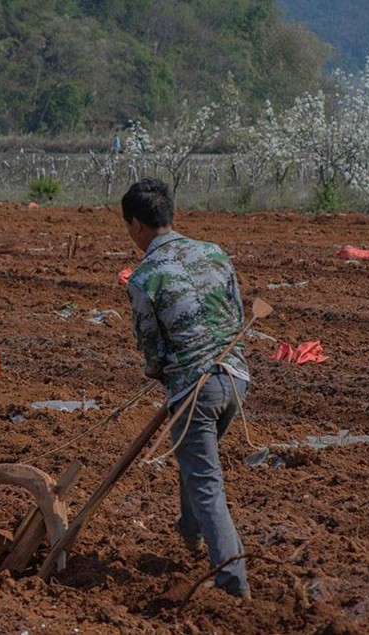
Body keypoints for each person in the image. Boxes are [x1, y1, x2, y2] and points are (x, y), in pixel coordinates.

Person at [121, 177, 251, 599]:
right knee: (196, 462)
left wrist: (159, 371)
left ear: (137, 225)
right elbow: (236, 312)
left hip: (194, 389)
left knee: (206, 481)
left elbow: (151, 346)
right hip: (236, 379)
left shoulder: (144, 278)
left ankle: (232, 579)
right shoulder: (214, 252)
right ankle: (189, 529)